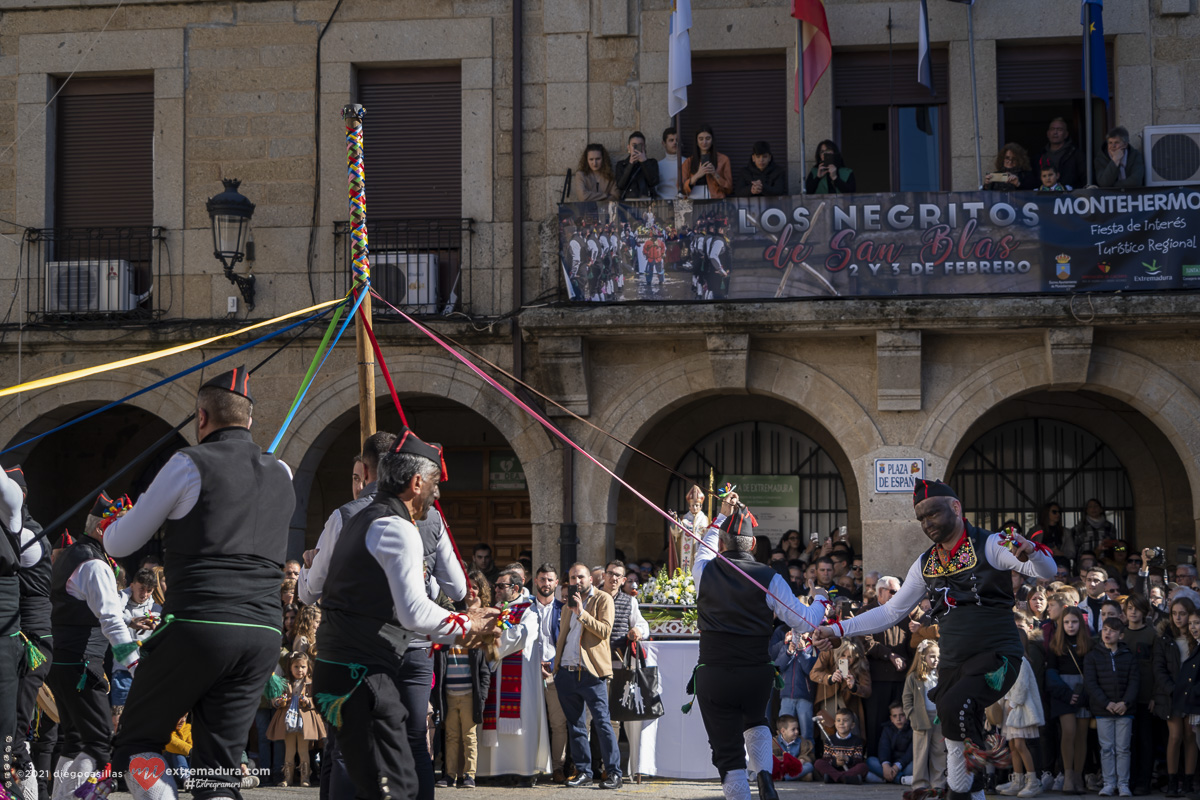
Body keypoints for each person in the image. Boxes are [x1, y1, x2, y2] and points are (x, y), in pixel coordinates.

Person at [103, 367, 297, 800]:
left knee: (136, 744)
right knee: (219, 770)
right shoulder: (282, 471)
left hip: (201, 626)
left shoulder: (188, 462)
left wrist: (110, 525)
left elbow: (121, 541)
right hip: (264, 633)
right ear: (249, 421)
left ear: (201, 419)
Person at [812, 479, 1056, 800]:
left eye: (933, 515)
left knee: (955, 706)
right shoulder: (925, 563)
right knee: (952, 729)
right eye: (921, 519)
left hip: (997, 657)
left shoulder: (993, 544)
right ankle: (970, 792)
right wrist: (838, 629)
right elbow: (890, 613)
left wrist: (1031, 552)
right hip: (953, 662)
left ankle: (962, 790)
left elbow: (1048, 571)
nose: (927, 524)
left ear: (955, 508)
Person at [313, 427, 496, 800]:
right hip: (360, 674)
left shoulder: (362, 516)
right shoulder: (397, 527)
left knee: (371, 780)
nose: (438, 494)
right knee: (398, 780)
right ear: (416, 482)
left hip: (347, 669)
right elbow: (413, 612)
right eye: (434, 484)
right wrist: (468, 624)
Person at [689, 491, 830, 800]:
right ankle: (765, 775)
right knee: (756, 720)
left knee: (728, 755)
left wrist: (722, 514)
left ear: (723, 544)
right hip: (756, 672)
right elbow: (805, 622)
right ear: (753, 545)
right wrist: (820, 596)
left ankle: (747, 785)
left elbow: (704, 546)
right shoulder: (769, 577)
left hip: (715, 674)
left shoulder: (703, 570)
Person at [44, 491, 141, 800]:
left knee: (74, 740)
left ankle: (61, 796)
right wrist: (134, 663)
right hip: (82, 664)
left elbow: (104, 614)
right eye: (121, 528)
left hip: (65, 662)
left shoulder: (77, 557)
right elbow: (110, 620)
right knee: (99, 743)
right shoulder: (94, 565)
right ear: (103, 529)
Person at [477, 568, 551, 784]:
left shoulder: (530, 610)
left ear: (516, 588)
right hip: (494, 676)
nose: (496, 589)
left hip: (521, 682)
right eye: (496, 586)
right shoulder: (492, 610)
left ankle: (523, 770)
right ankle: (495, 771)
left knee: (522, 725)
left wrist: (490, 639)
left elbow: (519, 637)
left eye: (501, 586)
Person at [553, 562, 619, 788]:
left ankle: (614, 773)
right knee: (576, 725)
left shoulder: (602, 599)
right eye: (572, 578)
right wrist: (557, 667)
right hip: (567, 672)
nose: (577, 581)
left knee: (602, 723)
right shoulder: (565, 606)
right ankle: (583, 771)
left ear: (591, 579)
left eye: (581, 577)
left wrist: (581, 612)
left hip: (591, 673)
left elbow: (604, 631)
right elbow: (563, 637)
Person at [8, 464, 50, 800]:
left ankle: (30, 793)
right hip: (21, 637)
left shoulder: (26, 533)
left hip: (30, 640)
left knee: (16, 725)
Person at [434, 573, 491, 790]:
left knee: (469, 737)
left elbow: (484, 671)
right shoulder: (448, 636)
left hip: (469, 693)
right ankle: (449, 775)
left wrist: (482, 696)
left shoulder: (476, 638)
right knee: (450, 736)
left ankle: (469, 775)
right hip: (449, 693)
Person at [1085, 617, 1139, 797]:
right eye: (1105, 629)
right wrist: (1106, 703)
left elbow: (1134, 681)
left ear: (1121, 635)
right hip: (1103, 710)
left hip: (1125, 710)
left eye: (1113, 630)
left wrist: (1125, 703)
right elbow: (1091, 683)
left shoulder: (1128, 655)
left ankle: (1123, 784)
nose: (1107, 633)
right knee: (1107, 748)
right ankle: (1109, 783)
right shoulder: (1093, 656)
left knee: (1123, 748)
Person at [1154, 597, 1198, 797]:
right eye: (1174, 613)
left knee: (1190, 736)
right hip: (1172, 695)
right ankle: (1173, 782)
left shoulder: (1196, 638)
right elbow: (1159, 668)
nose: (1178, 618)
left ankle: (1188, 781)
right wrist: (1172, 689)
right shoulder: (1165, 637)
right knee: (1175, 736)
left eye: (1182, 613)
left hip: (1192, 695)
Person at [862, 575, 910, 756]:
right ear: (880, 591)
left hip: (901, 679)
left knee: (902, 724)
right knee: (876, 723)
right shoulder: (867, 611)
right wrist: (889, 655)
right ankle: (876, 763)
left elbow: (913, 644)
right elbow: (864, 640)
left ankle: (899, 764)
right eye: (894, 592)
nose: (898, 596)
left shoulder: (905, 612)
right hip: (877, 680)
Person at [1047, 607, 1093, 794]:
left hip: (1083, 689)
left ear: (1080, 624)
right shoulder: (1054, 645)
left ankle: (1077, 776)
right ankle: (1067, 776)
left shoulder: (1089, 644)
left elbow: (1092, 672)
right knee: (1068, 732)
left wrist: (1086, 694)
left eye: (1074, 622)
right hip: (1063, 691)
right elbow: (1050, 673)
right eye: (1066, 622)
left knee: (1082, 736)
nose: (1070, 626)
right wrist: (1065, 694)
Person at [531, 563, 568, 782]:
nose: (546, 583)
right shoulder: (526, 609)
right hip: (530, 672)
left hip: (555, 673)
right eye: (542, 579)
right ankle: (531, 767)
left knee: (558, 723)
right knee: (532, 720)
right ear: (535, 581)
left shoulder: (564, 609)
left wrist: (553, 666)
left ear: (556, 583)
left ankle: (558, 767)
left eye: (550, 580)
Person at [267, 651, 326, 788]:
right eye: (296, 667)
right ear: (290, 667)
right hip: (289, 721)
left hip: (304, 721)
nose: (300, 670)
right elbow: (276, 699)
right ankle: (287, 778)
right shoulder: (284, 682)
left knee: (303, 751)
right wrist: (279, 702)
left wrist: (308, 701)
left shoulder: (311, 683)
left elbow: (317, 701)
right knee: (289, 751)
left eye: (303, 667)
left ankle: (305, 778)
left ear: (308, 667)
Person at [111, 568, 163, 717]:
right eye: (141, 589)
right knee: (119, 718)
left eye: (149, 590)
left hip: (148, 672)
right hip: (123, 672)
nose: (144, 594)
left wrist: (156, 629)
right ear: (132, 585)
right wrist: (129, 621)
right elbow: (111, 616)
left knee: (147, 716)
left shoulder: (156, 609)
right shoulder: (120, 607)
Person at [1121, 593, 1157, 795]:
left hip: (1145, 697)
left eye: (1137, 608)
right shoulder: (1121, 634)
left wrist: (1154, 696)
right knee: (1127, 742)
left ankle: (1144, 781)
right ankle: (1129, 780)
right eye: (1130, 608)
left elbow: (1157, 667)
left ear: (1145, 611)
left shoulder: (1152, 635)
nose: (1133, 612)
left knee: (1145, 740)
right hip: (1123, 697)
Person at [997, 653, 1045, 797]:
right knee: (1012, 745)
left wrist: (1013, 703)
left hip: (1020, 708)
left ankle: (1033, 782)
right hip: (1009, 707)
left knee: (1019, 744)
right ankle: (1018, 780)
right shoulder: (1003, 660)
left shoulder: (1020, 660)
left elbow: (1021, 684)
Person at [903, 639, 947, 800]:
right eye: (932, 656)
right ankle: (920, 784)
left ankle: (939, 784)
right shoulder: (914, 678)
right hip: (921, 719)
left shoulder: (941, 676)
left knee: (939, 752)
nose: (936, 660)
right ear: (923, 657)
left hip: (938, 719)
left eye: (938, 657)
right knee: (921, 753)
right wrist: (912, 715)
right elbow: (906, 699)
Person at [769, 626, 816, 742]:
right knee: (784, 731)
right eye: (796, 634)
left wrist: (801, 652)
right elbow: (778, 668)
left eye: (801, 633)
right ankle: (784, 756)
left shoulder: (812, 649)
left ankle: (807, 757)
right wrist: (789, 652)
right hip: (786, 695)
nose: (799, 636)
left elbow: (810, 670)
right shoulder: (786, 647)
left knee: (806, 732)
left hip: (805, 696)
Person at [814, 708, 868, 784]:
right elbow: (826, 759)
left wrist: (847, 759)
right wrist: (836, 762)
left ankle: (834, 778)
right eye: (838, 720)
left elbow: (858, 761)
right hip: (833, 769)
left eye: (845, 720)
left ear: (852, 725)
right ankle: (845, 778)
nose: (841, 723)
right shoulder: (829, 740)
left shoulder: (857, 741)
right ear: (835, 723)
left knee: (863, 766)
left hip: (850, 770)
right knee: (818, 763)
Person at [867, 702, 913, 785]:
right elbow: (883, 748)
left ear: (907, 715)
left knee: (914, 766)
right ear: (891, 718)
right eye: (895, 716)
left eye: (901, 715)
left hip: (904, 765)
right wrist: (886, 765)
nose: (898, 719)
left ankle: (887, 778)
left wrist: (897, 766)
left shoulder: (912, 729)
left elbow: (910, 752)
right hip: (890, 764)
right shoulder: (887, 729)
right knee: (870, 761)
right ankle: (901, 779)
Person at [681, 126, 732, 200]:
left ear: (712, 140)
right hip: (691, 202)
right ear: (696, 141)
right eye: (701, 139)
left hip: (715, 201)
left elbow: (729, 189)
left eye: (708, 139)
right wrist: (697, 175)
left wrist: (715, 174)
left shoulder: (723, 159)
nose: (704, 142)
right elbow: (682, 191)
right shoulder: (688, 162)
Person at [1039, 117, 1086, 190]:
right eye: (1052, 129)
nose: (1055, 132)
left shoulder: (1076, 154)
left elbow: (1085, 178)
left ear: (1066, 134)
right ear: (1048, 133)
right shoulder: (1040, 155)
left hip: (1071, 198)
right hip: (1044, 199)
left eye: (1059, 129)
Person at [614, 131, 660, 200]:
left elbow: (653, 182)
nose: (637, 148)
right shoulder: (621, 164)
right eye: (634, 145)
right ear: (629, 147)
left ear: (644, 147)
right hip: (628, 202)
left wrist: (644, 162)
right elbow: (620, 185)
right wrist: (630, 164)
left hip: (646, 201)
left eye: (640, 145)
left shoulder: (652, 163)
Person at [771, 714, 813, 781]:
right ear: (783, 731)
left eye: (797, 729)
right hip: (782, 767)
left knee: (809, 766)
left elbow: (805, 754)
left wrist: (802, 759)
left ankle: (785, 777)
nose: (796, 732)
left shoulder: (801, 741)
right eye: (793, 729)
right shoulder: (775, 742)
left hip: (795, 767)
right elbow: (771, 757)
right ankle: (796, 777)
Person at [163, 716, 192, 788]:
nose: (183, 720)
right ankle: (185, 777)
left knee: (193, 755)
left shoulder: (187, 727)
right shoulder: (164, 728)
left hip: (180, 768)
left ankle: (193, 777)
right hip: (168, 768)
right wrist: (190, 750)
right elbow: (170, 742)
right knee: (176, 751)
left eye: (185, 716)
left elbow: (192, 745)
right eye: (180, 716)